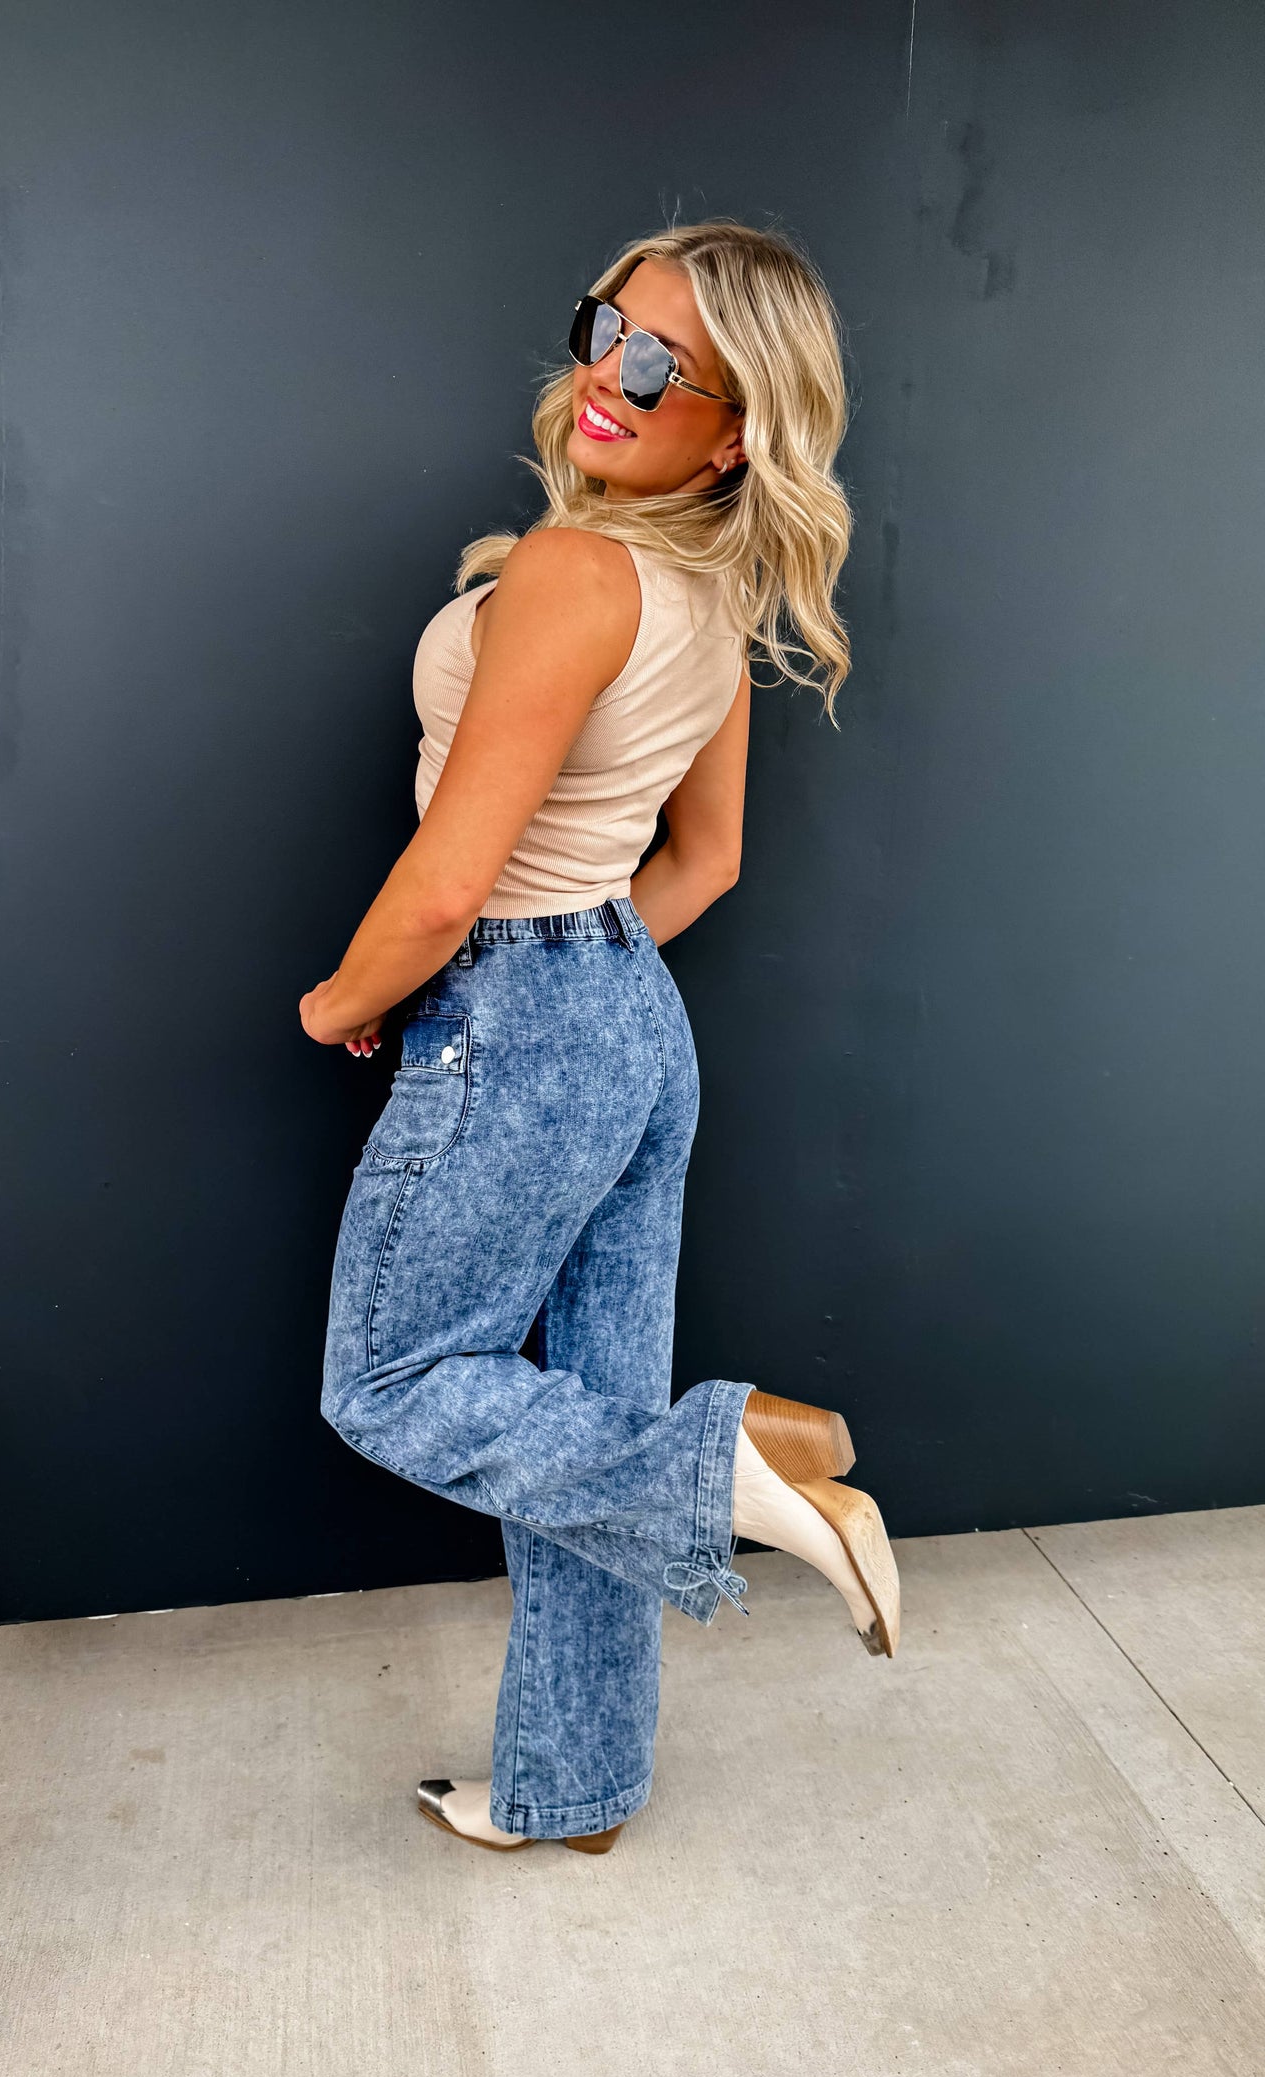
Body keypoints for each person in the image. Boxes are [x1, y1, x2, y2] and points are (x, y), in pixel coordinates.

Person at [300, 218, 901, 1858]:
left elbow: (444, 885)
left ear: (736, 424)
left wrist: (346, 1002)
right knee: (581, 1436)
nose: (608, 376)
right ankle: (577, 1786)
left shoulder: (573, 573)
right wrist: (575, 982)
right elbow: (697, 869)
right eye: (603, 329)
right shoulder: (706, 590)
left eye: (663, 367)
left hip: (518, 1008)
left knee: (397, 1379)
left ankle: (728, 1471)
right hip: (630, 1018)